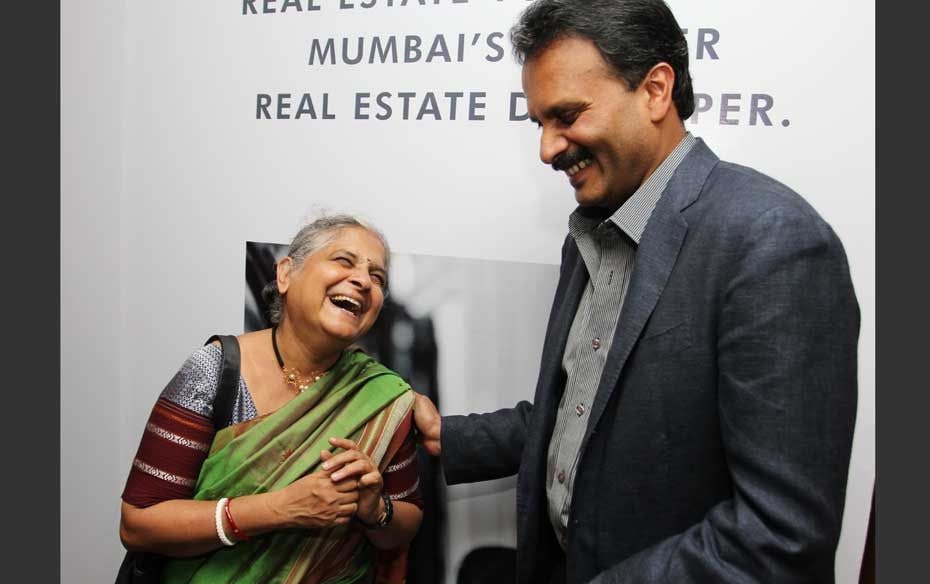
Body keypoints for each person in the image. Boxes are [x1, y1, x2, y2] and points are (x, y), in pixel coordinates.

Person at [412, 1, 859, 582]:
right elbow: (587, 414)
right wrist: (450, 436)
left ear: (654, 90)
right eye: (539, 124)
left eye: (567, 116)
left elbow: (778, 538)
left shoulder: (774, 243)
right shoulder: (594, 234)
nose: (547, 149)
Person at [119, 215, 423, 583]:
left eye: (377, 277)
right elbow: (138, 523)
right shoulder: (215, 371)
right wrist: (278, 509)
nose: (363, 281)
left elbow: (408, 519)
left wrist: (376, 510)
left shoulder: (382, 396)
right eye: (344, 261)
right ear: (285, 275)